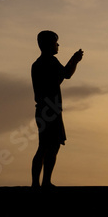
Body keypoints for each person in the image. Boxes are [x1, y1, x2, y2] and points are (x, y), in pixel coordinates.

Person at [31, 30, 83, 189]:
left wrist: (73, 61)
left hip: (45, 110)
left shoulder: (39, 64)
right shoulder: (49, 62)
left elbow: (58, 79)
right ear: (48, 44)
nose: (58, 45)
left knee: (49, 145)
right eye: (55, 42)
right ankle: (41, 182)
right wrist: (74, 60)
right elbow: (66, 74)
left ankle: (41, 182)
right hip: (49, 111)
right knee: (47, 146)